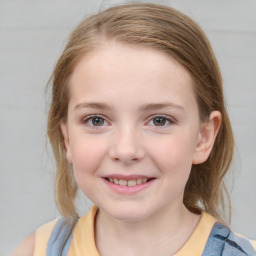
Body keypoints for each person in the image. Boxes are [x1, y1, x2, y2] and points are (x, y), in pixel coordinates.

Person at [13, 3, 256, 256]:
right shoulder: (36, 250)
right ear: (67, 139)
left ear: (203, 138)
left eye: (159, 120)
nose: (126, 150)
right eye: (96, 120)